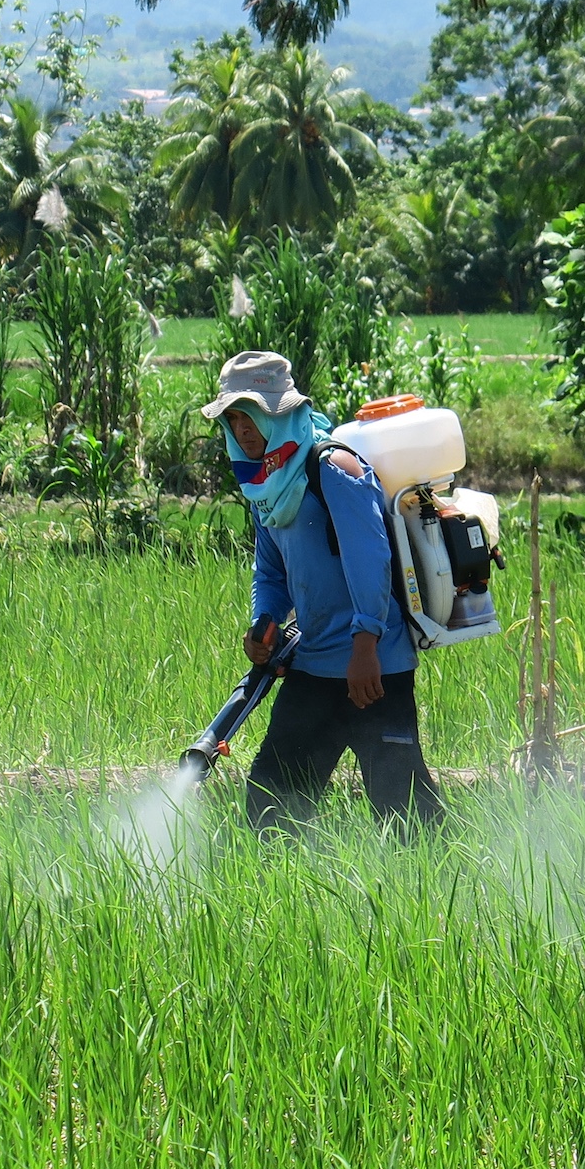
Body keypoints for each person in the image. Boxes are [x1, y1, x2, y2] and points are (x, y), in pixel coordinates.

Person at [201, 350, 444, 832]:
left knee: (404, 813)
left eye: (251, 415)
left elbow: (370, 560)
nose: (243, 430)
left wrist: (365, 645)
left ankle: (452, 890)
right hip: (314, 664)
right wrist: (264, 623)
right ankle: (277, 897)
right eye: (233, 420)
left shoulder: (333, 468)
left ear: (283, 412)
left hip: (374, 669)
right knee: (271, 803)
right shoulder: (264, 485)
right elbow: (270, 571)